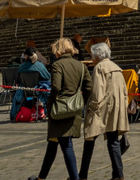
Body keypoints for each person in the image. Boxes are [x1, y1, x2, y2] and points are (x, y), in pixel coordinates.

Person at [30, 38, 84, 180]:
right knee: (53, 142)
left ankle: (75, 178)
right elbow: (88, 87)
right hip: (75, 107)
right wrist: (80, 101)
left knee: (66, 144)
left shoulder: (57, 65)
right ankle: (42, 177)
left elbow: (56, 87)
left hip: (60, 108)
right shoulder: (80, 65)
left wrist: (50, 103)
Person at [80, 42, 128, 180]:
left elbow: (96, 91)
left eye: (92, 55)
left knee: (89, 139)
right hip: (115, 109)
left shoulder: (99, 67)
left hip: (100, 109)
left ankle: (82, 175)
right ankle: (118, 174)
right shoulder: (116, 67)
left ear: (97, 55)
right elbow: (124, 90)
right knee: (113, 141)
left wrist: (91, 107)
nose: (91, 57)